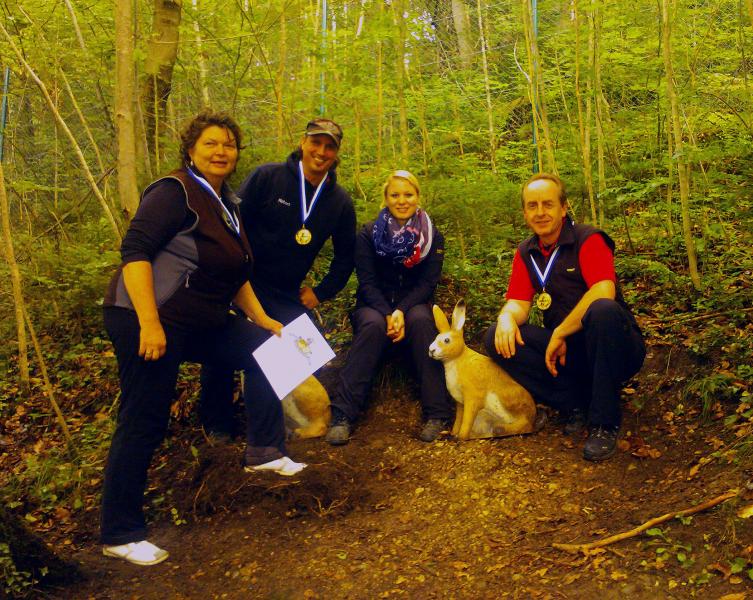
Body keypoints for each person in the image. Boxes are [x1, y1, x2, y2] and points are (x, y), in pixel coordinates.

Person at [100, 110, 306, 566]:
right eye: (211, 143)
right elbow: (134, 252)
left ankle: (264, 451)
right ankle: (120, 532)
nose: (221, 151)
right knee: (145, 418)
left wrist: (264, 319)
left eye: (229, 145)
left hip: (199, 319)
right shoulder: (175, 192)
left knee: (270, 350)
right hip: (146, 317)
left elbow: (235, 274)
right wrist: (149, 324)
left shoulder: (225, 203)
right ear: (191, 148)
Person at [198, 118, 356, 440]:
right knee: (222, 343)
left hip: (286, 293)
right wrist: (227, 274)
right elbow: (232, 224)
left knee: (305, 352)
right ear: (303, 142)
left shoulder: (339, 202)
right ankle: (218, 424)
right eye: (316, 142)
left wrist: (321, 293)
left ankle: (286, 420)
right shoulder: (267, 177)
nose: (321, 151)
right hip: (243, 283)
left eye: (329, 147)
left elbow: (345, 257)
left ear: (336, 153)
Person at [483, 173, 645, 462]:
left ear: (563, 207)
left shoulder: (588, 239)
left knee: (603, 310)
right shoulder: (527, 252)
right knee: (496, 336)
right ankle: (575, 402)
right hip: (569, 354)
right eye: (532, 206)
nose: (540, 212)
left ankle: (604, 423)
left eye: (548, 204)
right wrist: (507, 317)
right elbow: (518, 303)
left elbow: (603, 290)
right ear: (524, 212)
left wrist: (560, 333)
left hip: (615, 347)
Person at [325, 170, 454, 445]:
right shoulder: (368, 234)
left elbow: (428, 282)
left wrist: (401, 310)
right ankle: (342, 414)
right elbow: (367, 281)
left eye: (408, 194)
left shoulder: (433, 236)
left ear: (418, 197)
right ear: (386, 198)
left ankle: (437, 414)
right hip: (374, 304)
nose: (402, 200)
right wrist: (387, 312)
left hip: (414, 303)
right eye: (395, 195)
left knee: (421, 321)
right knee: (373, 324)